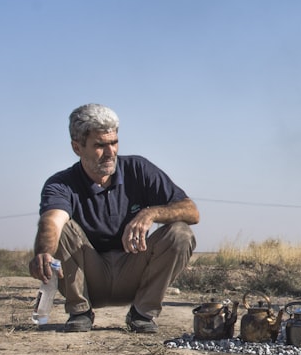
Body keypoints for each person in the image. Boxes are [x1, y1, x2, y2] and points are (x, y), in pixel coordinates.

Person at [28, 104, 199, 333]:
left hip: (134, 271)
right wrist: (44, 253)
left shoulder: (138, 169)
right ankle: (80, 311)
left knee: (180, 233)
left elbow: (191, 211)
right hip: (91, 278)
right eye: (100, 145)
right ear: (77, 147)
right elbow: (52, 221)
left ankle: (142, 314)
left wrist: (150, 213)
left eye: (114, 142)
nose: (110, 152)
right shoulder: (61, 184)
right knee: (63, 229)